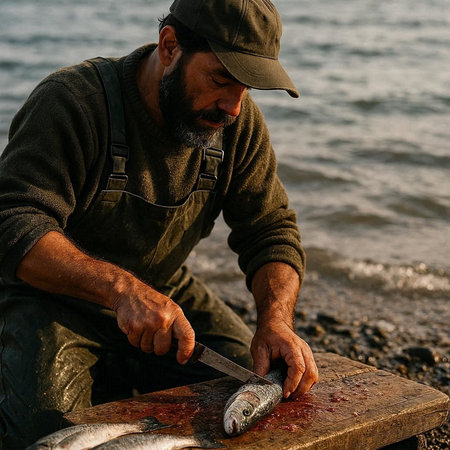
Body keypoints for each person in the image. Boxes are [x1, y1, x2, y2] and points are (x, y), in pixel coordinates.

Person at [0, 0, 318, 447]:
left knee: (261, 397)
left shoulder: (236, 124)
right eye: (221, 80)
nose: (232, 107)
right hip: (53, 304)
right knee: (48, 438)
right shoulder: (72, 102)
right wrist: (122, 291)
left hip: (168, 298)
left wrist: (276, 320)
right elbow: (13, 222)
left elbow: (270, 230)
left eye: (246, 89)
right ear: (169, 47)